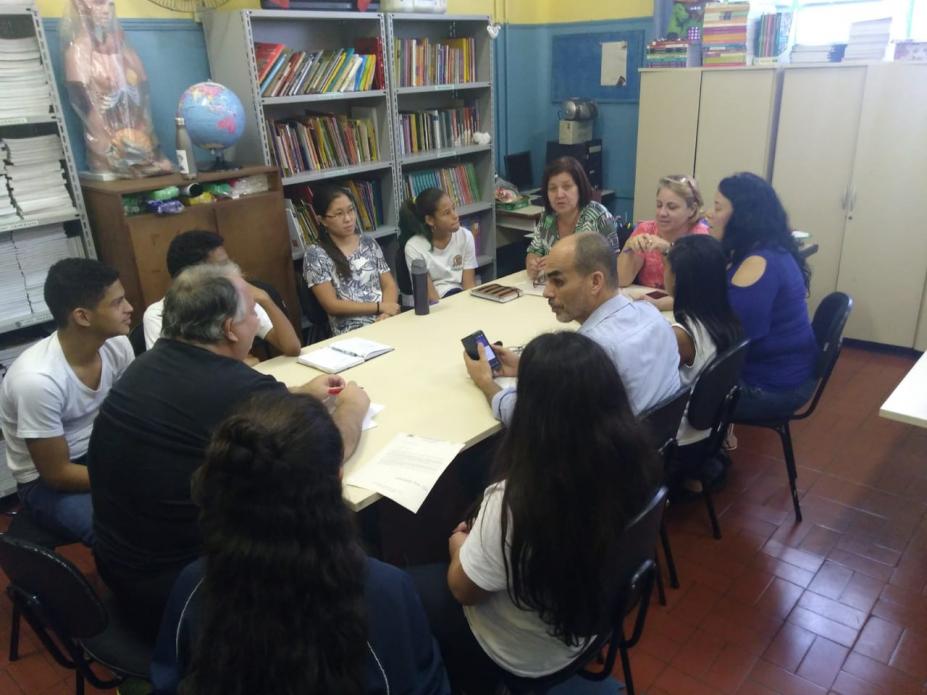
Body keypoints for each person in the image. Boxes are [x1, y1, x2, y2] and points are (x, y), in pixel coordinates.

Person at [89, 263, 369, 639]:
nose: (257, 320)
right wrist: (353, 405)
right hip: (188, 590)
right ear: (228, 329)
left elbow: (215, 406)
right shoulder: (237, 388)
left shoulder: (145, 368)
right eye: (254, 311)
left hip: (119, 567)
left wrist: (295, 393)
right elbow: (326, 455)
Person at [150, 392, 449, 695]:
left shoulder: (193, 586)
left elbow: (170, 680)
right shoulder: (384, 591)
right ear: (337, 478)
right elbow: (421, 683)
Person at [414, 332, 661, 692]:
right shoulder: (637, 461)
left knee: (406, 589)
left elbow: (464, 590)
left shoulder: (518, 498)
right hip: (589, 622)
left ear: (532, 413)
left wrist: (458, 545)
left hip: (521, 655)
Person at [466, 233, 680, 421]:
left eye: (558, 282)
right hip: (653, 457)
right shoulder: (654, 316)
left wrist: (486, 383)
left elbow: (528, 420)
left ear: (596, 282)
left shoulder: (588, 355)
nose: (546, 293)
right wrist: (527, 368)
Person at [0, 259, 133, 546]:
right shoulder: (37, 380)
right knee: (118, 534)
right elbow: (56, 474)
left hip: (102, 451)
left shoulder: (117, 344)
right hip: (48, 483)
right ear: (83, 317)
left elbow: (130, 414)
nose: (129, 308)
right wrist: (125, 481)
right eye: (118, 302)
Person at [708, 172, 817, 421]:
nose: (709, 214)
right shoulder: (770, 248)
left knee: (672, 392)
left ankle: (696, 457)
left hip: (770, 386)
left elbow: (733, 338)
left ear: (743, 217)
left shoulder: (757, 263)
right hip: (788, 372)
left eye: (717, 207)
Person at [664, 235, 743, 496]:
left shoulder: (682, 335)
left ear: (679, 279)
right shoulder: (725, 319)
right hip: (710, 433)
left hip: (680, 441)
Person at [142, 230, 300, 358]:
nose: (232, 268)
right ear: (194, 276)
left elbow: (292, 348)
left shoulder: (237, 298)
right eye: (223, 266)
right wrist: (243, 362)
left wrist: (265, 299)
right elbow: (176, 370)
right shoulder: (158, 314)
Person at [304, 186, 400, 335]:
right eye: (339, 214)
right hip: (351, 329)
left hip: (385, 318)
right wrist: (379, 307)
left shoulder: (368, 242)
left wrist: (386, 314)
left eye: (350, 210)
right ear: (322, 220)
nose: (348, 219)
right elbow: (332, 305)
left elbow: (389, 284)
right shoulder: (315, 254)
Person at [618, 174, 710, 311]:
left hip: (684, 313)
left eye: (672, 207)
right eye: (659, 205)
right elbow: (621, 280)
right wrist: (629, 247)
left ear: (691, 209)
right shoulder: (646, 230)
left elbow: (700, 296)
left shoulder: (702, 238)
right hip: (649, 310)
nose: (662, 213)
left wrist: (669, 250)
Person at [525, 157, 618, 281]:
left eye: (567, 187)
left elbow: (612, 265)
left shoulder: (599, 216)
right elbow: (534, 250)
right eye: (552, 188)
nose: (559, 195)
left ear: (580, 188)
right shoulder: (547, 217)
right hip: (551, 288)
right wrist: (532, 263)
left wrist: (562, 265)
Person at [399, 187, 478, 301]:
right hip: (434, 305)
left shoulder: (466, 236)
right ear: (430, 220)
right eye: (447, 213)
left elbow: (469, 286)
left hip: (460, 298)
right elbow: (431, 298)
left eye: (454, 208)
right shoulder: (414, 247)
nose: (455, 216)